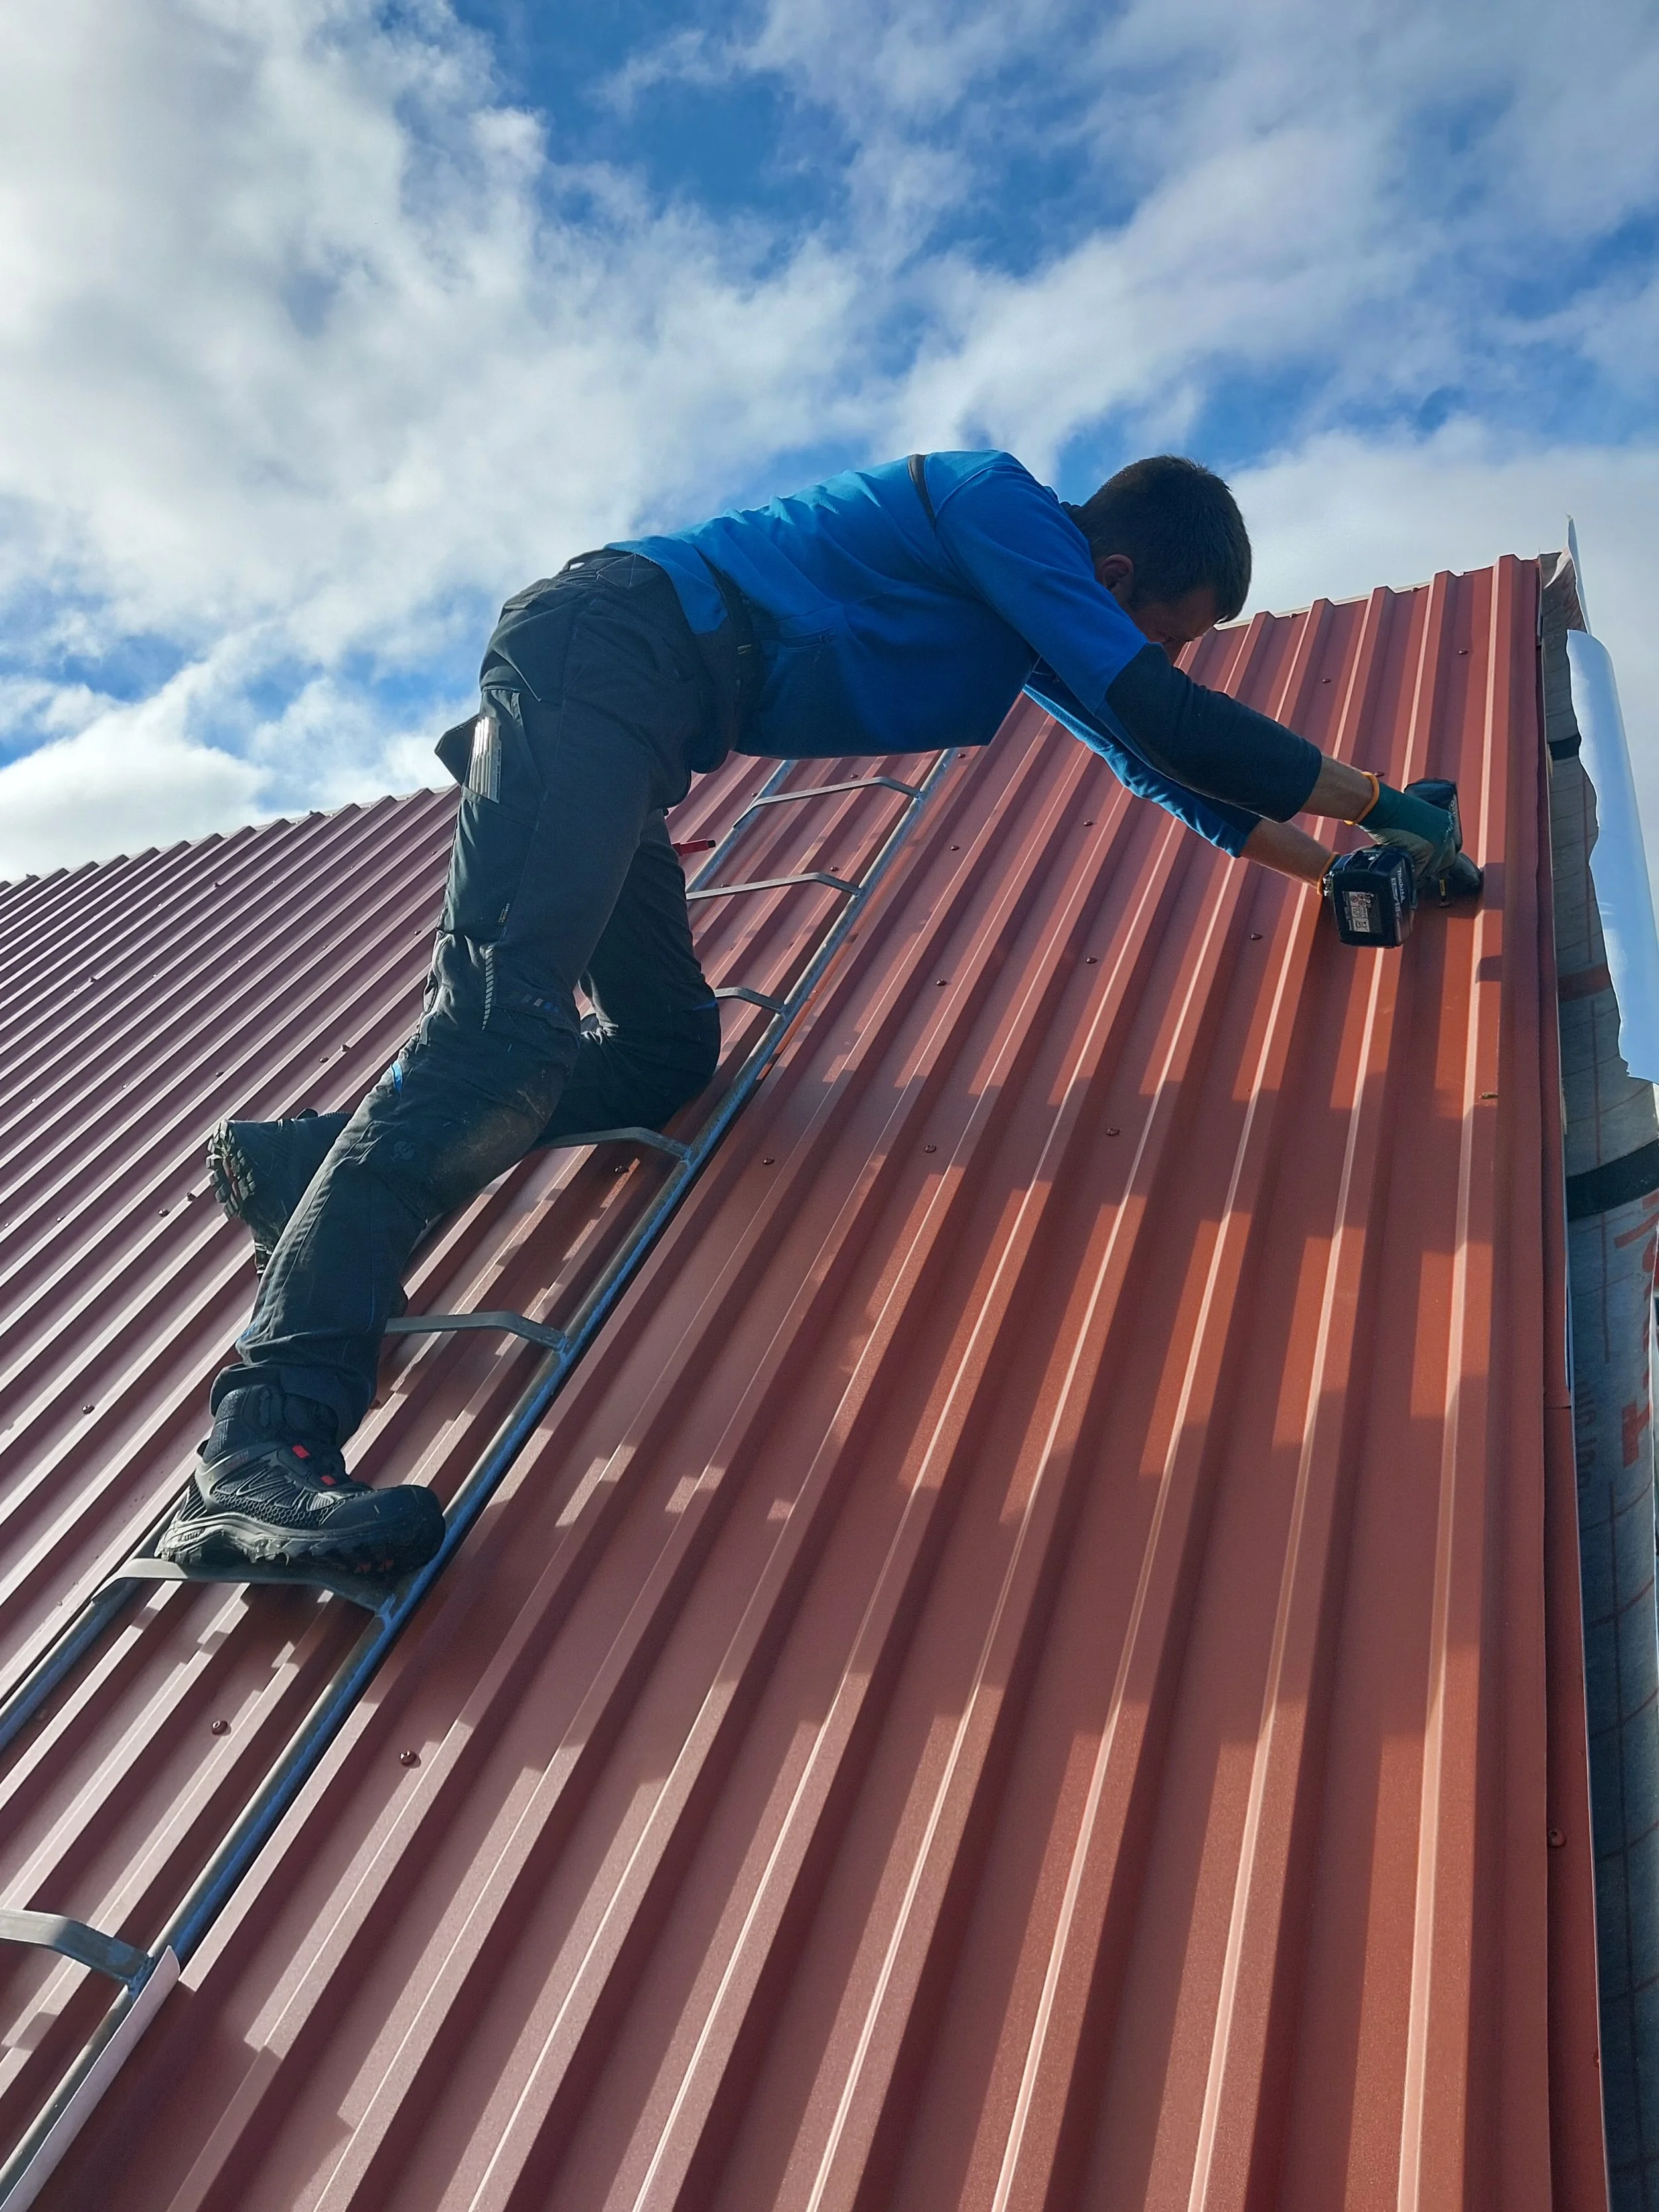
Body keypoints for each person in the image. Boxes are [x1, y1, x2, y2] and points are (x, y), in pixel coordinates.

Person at [161, 451, 1463, 1580]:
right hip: (599, 662)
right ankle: (258, 1442)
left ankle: (301, 1166)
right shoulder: (993, 501)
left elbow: (1149, 759)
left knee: (668, 1050)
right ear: (1113, 574)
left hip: (637, 718)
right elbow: (1157, 707)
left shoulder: (1026, 601)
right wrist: (1377, 801)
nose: (1155, 657)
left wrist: (1338, 862)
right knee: (498, 1038)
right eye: (1163, 629)